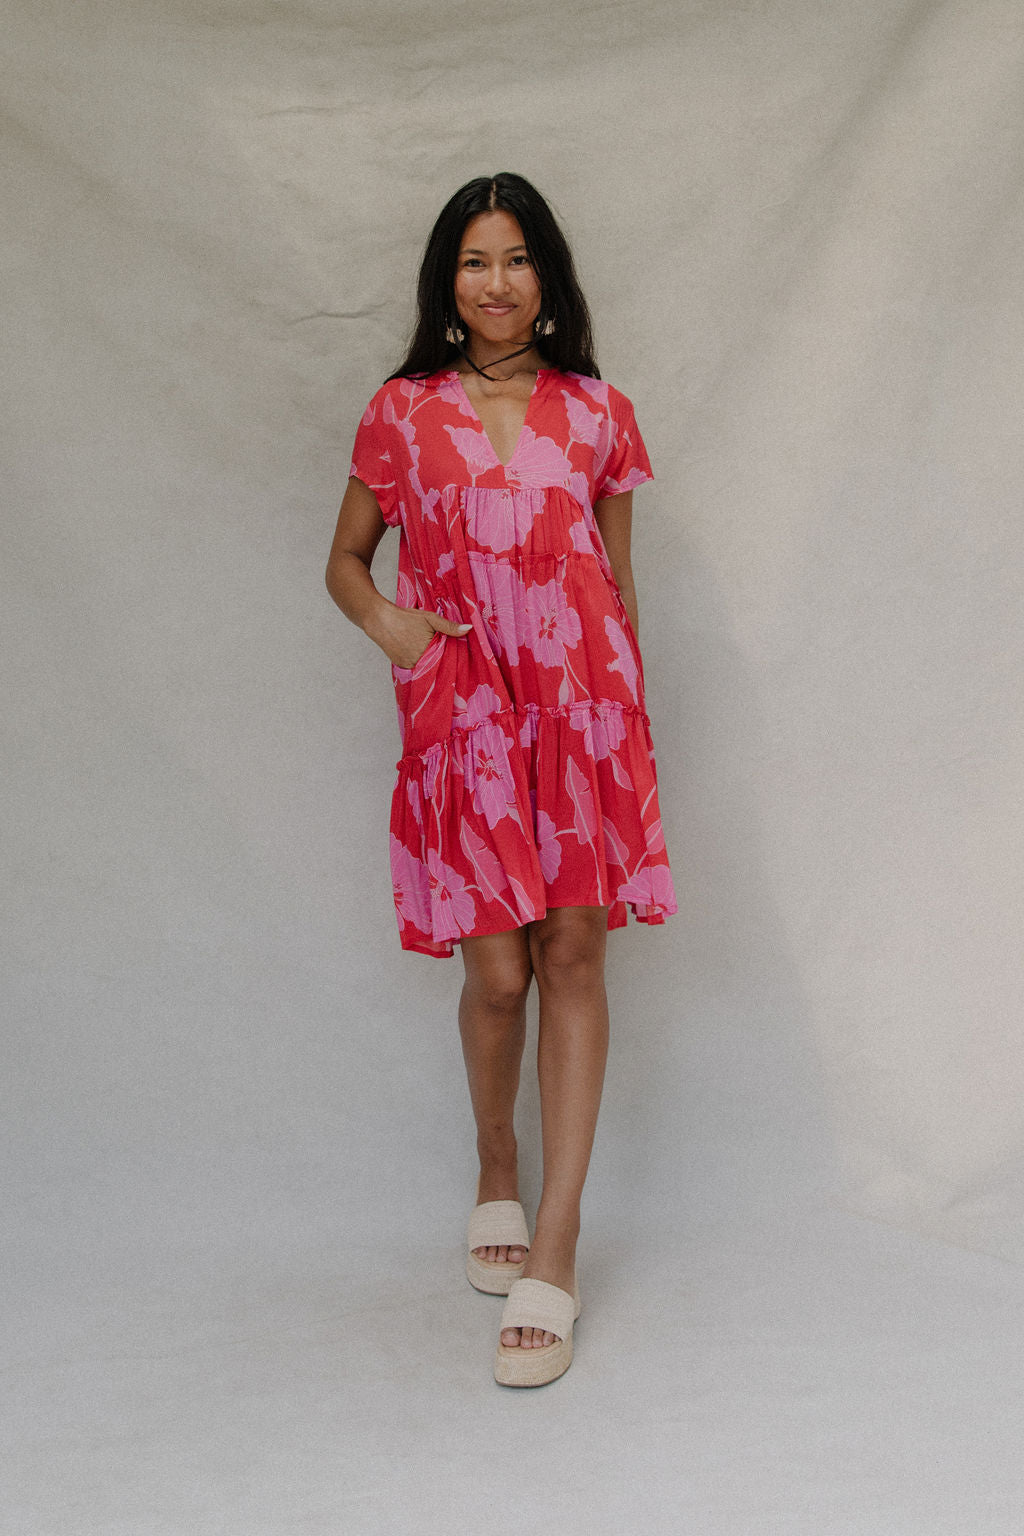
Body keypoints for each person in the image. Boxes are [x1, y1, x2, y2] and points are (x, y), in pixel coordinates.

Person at [325, 173, 676, 1386]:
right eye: (475, 261)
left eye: (518, 258)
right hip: (467, 717)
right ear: (447, 281)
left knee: (572, 954)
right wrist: (405, 636)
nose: (497, 282)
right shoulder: (402, 411)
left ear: (548, 277)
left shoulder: (598, 412)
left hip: (583, 718)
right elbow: (346, 564)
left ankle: (559, 1250)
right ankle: (493, 1166)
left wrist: (630, 727)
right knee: (497, 973)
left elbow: (617, 586)